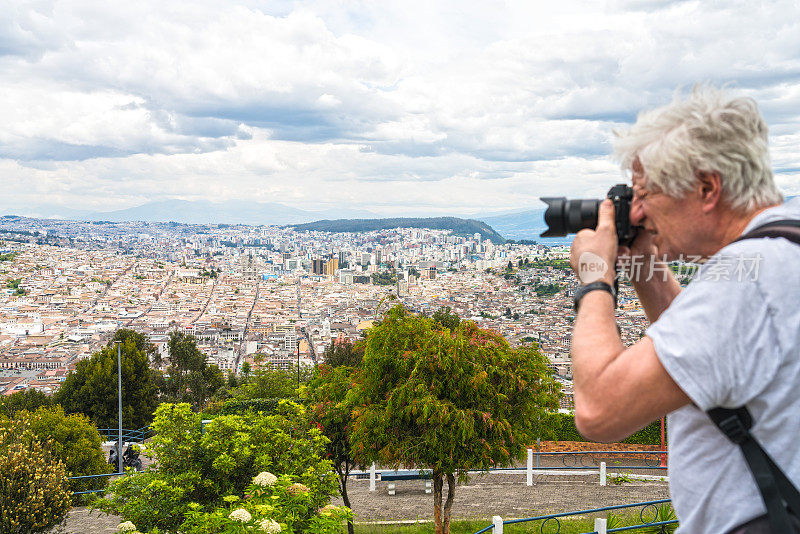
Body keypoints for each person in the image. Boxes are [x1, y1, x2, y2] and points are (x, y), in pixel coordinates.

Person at [568, 86, 800, 533]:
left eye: (645, 194)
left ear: (707, 188)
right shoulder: (782, 248)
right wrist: (644, 266)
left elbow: (599, 408)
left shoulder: (748, 282)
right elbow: (710, 352)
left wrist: (597, 276)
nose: (638, 213)